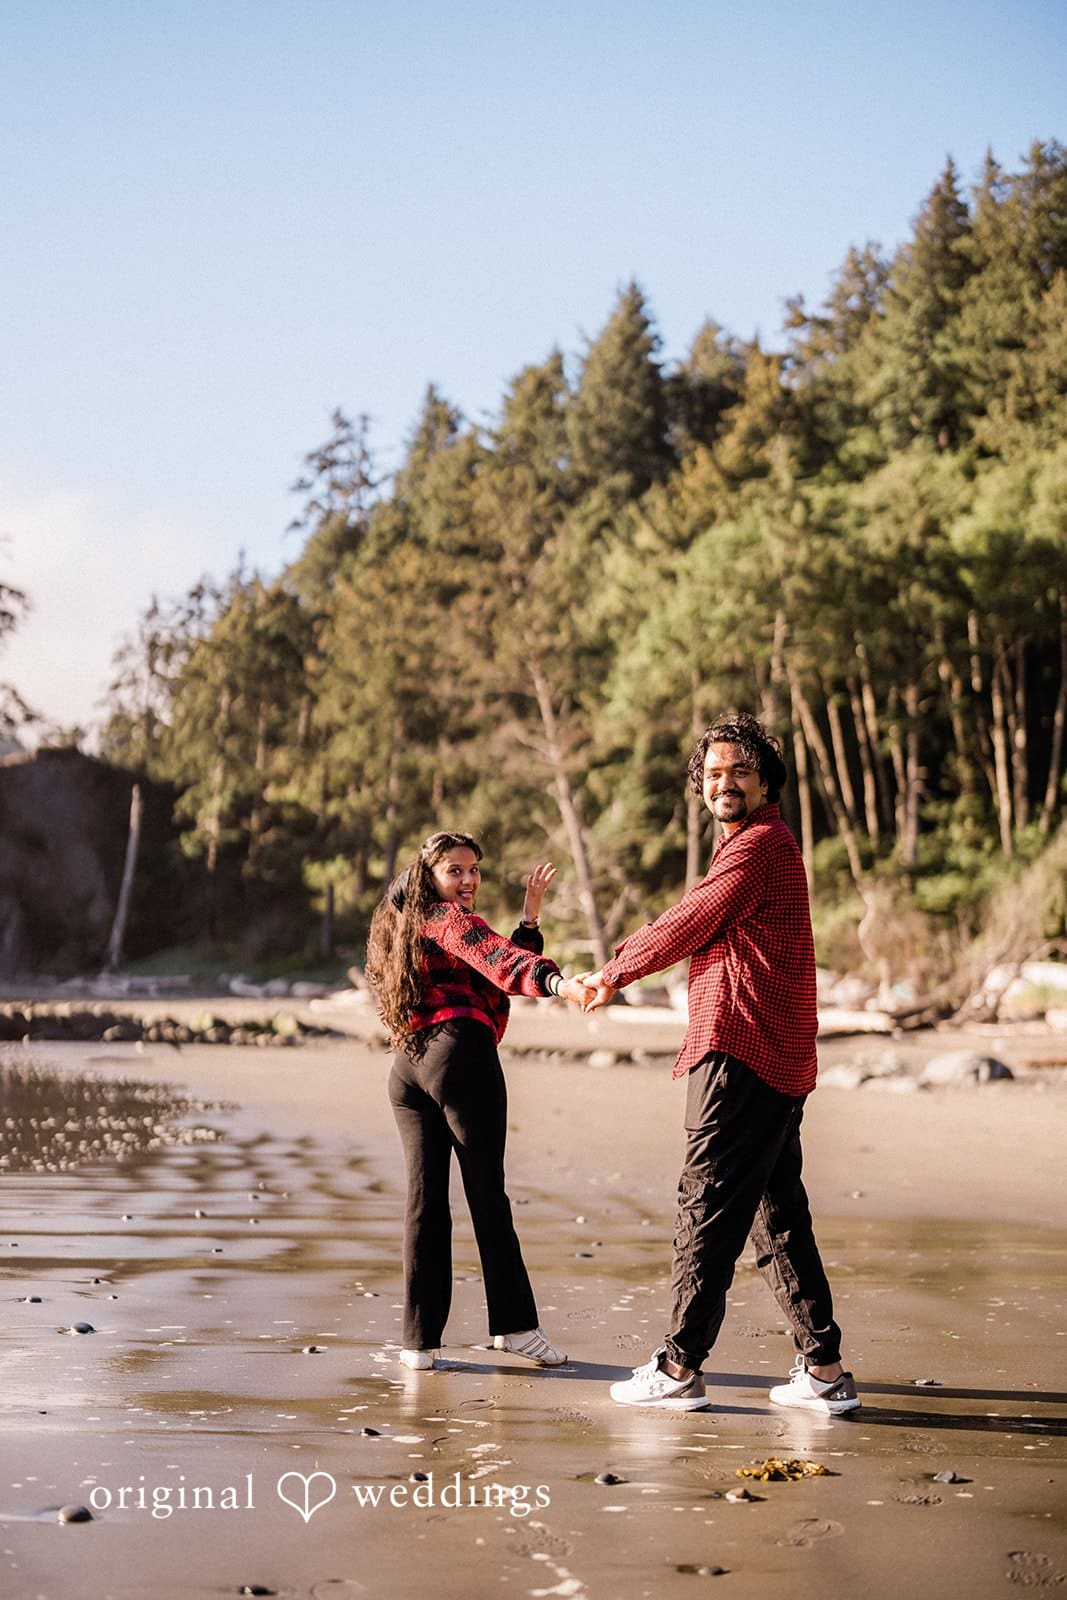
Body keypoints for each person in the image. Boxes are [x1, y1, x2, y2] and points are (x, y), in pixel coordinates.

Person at [578, 712, 859, 1416]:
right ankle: (823, 1371)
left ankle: (678, 1367)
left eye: (738, 771)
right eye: (711, 774)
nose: (723, 783)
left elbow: (689, 919)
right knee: (775, 1213)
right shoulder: (756, 845)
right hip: (773, 1053)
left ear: (765, 782)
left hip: (740, 1048)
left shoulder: (758, 846)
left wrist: (613, 971)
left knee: (705, 1205)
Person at [365, 829, 589, 1372]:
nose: (468, 880)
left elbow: (492, 971)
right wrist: (559, 985)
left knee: (424, 1203)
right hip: (460, 1057)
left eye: (473, 870)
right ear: (430, 876)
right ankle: (516, 1328)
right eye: (455, 871)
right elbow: (500, 960)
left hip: (409, 1068)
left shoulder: (405, 925)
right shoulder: (449, 920)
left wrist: (529, 921)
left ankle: (419, 1343)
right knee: (488, 1195)